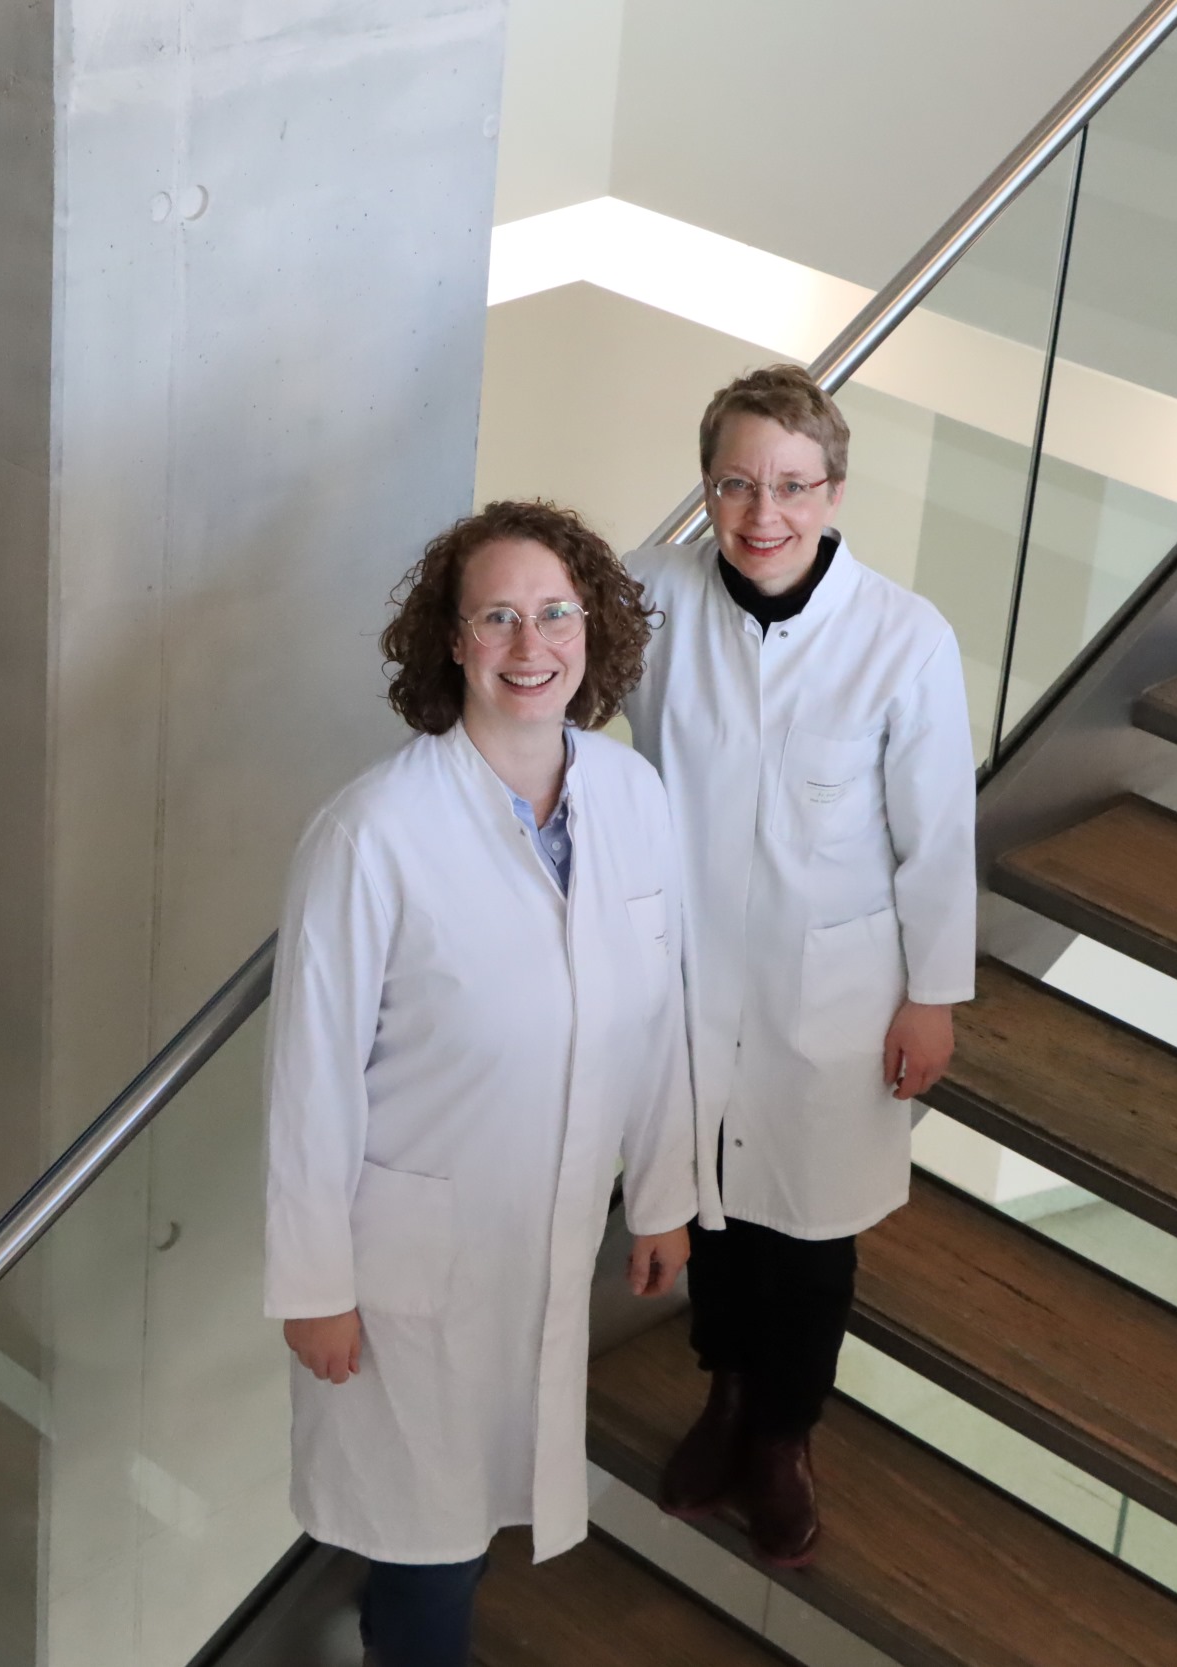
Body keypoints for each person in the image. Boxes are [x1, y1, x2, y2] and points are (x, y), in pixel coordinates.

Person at [264, 500, 711, 1667]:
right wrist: (312, 1281)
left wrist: (661, 1191)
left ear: (593, 627)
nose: (531, 644)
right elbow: (310, 1078)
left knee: (480, 1508)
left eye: (555, 611)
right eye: (498, 616)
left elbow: (662, 1012)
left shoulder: (632, 797)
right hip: (407, 1250)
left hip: (548, 1226)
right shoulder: (372, 833)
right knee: (428, 1545)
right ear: (452, 641)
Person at [624, 365, 976, 1565]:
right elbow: (547, 674)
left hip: (836, 986)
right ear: (708, 486)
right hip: (686, 972)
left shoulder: (901, 636)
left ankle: (783, 1435)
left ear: (833, 490)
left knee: (812, 1226)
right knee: (712, 1203)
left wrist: (932, 995)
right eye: (734, 483)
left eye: (789, 484)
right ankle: (721, 1395)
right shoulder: (653, 592)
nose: (760, 513)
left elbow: (935, 834)